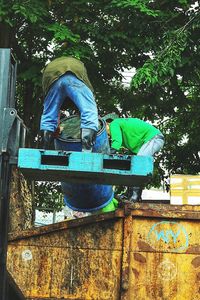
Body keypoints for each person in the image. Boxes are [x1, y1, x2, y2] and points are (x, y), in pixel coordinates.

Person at [40, 56, 98, 151]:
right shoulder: (77, 66)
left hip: (51, 76)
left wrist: (55, 127)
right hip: (74, 73)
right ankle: (86, 151)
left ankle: (44, 149)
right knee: (89, 110)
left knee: (49, 114)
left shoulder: (52, 67)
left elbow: (55, 112)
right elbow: (84, 111)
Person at [105, 116, 165, 202]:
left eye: (107, 133)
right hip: (149, 140)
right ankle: (130, 194)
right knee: (131, 164)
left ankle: (135, 196)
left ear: (107, 124)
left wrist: (105, 157)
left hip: (154, 138)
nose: (108, 136)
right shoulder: (123, 126)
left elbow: (116, 142)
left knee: (138, 163)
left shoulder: (114, 124)